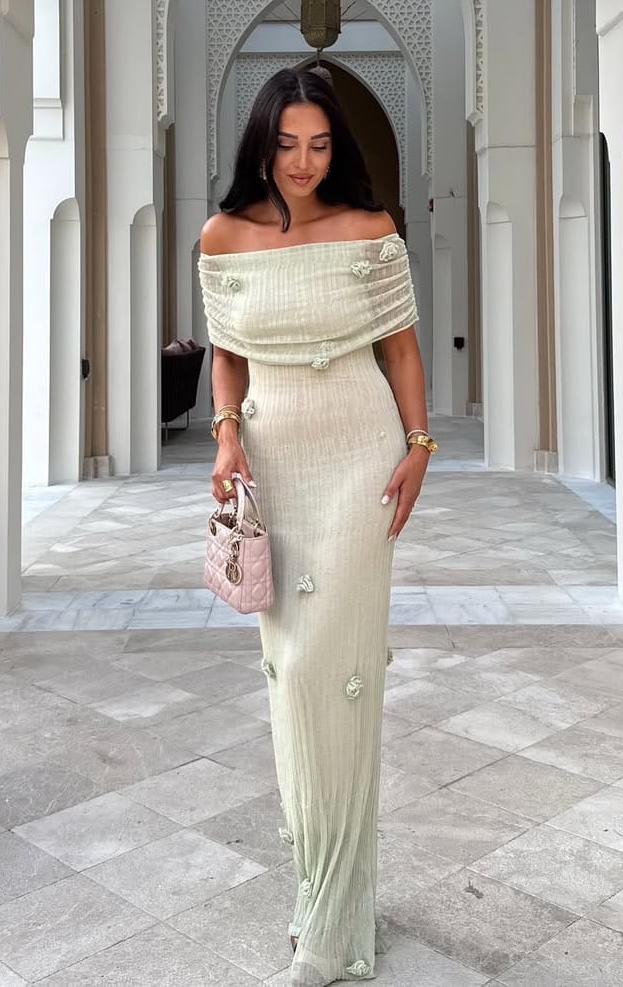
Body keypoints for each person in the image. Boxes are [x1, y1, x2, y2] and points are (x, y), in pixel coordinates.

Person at [198, 67, 437, 986]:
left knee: (336, 677)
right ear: (262, 142)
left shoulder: (372, 232)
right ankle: (323, 889)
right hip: (275, 461)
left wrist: (419, 444)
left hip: (360, 461)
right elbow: (227, 358)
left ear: (339, 148)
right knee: (292, 678)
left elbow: (403, 347)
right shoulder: (222, 237)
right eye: (288, 143)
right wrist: (226, 435)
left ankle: (332, 926)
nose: (303, 162)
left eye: (321, 144)